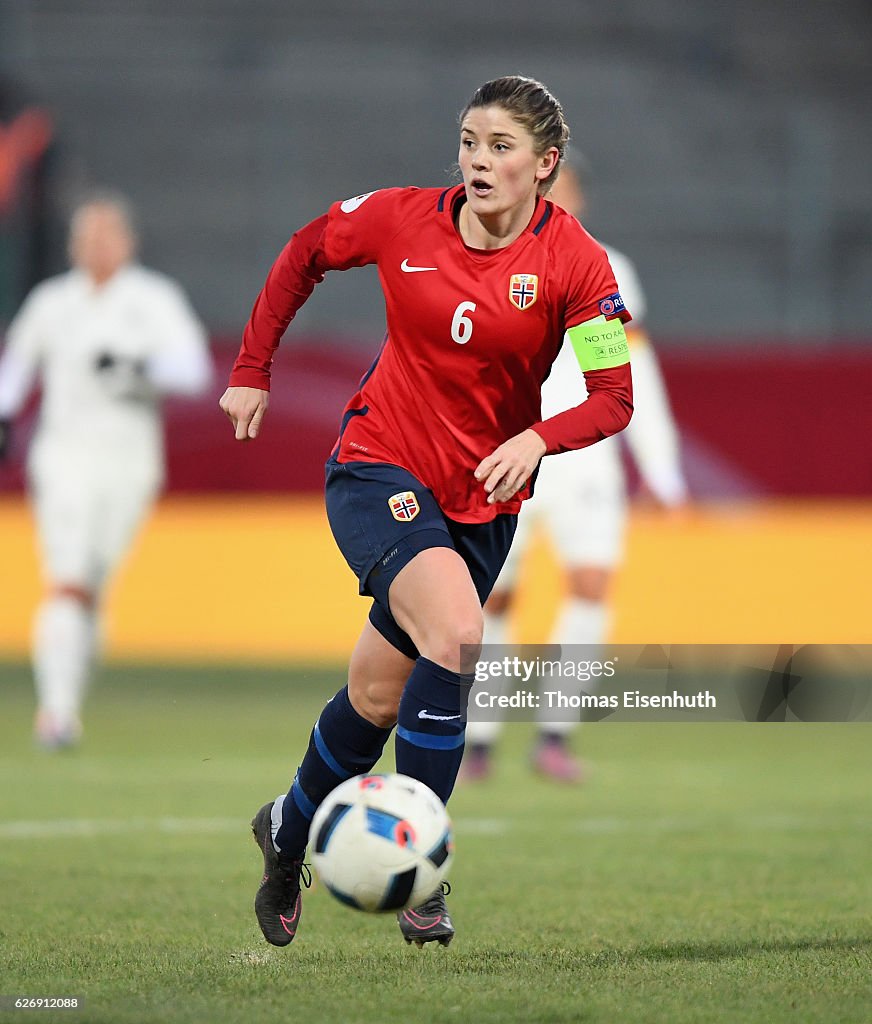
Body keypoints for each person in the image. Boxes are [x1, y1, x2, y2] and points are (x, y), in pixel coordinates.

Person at [219, 75, 634, 950]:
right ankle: (426, 870)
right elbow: (304, 252)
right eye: (470, 141)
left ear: (545, 166)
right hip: (379, 466)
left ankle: (287, 830)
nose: (479, 161)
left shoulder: (577, 265)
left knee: (376, 695)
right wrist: (252, 367)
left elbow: (612, 397)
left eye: (501, 148)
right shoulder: (403, 217)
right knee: (457, 633)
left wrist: (541, 439)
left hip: (483, 502)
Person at [464, 157, 689, 783]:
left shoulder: (605, 268)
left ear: (580, 196)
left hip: (584, 457)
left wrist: (662, 470)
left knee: (590, 585)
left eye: (565, 189)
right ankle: (478, 740)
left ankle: (553, 734)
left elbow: (627, 370)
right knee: (494, 597)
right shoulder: (485, 257)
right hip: (503, 453)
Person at [0, 193, 212, 748]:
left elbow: (193, 370)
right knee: (66, 578)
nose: (95, 247)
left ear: (126, 241)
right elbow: (18, 360)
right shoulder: (53, 301)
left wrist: (136, 366)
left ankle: (67, 692)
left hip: (129, 461)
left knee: (91, 583)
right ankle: (56, 713)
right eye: (86, 237)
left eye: (105, 236)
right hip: (63, 456)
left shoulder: (152, 299)